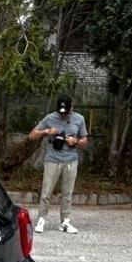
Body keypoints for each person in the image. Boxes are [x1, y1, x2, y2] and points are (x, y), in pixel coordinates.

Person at [29, 95, 88, 234]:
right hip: (52, 160)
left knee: (67, 193)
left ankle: (65, 221)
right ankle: (41, 220)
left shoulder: (79, 119)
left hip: (71, 160)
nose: (63, 114)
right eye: (61, 112)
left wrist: (76, 141)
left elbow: (85, 141)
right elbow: (31, 135)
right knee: (46, 191)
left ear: (71, 107)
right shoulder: (50, 118)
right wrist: (46, 131)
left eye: (66, 112)